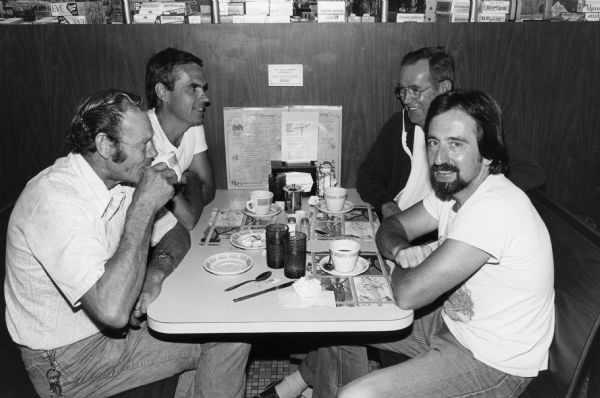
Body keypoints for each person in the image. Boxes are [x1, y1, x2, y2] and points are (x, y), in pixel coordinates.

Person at [4, 89, 250, 398]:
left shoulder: (118, 179)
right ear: (106, 145)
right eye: (143, 144)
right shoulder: (55, 200)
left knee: (221, 322)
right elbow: (112, 311)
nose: (152, 153)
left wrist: (154, 273)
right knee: (227, 336)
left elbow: (177, 234)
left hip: (105, 335)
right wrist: (143, 206)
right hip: (65, 361)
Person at [312, 90, 555, 397]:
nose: (440, 158)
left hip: (493, 362)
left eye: (456, 144)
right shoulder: (452, 192)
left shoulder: (494, 207)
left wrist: (401, 263)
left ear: (488, 153)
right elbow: (393, 224)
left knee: (358, 395)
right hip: (452, 323)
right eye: (433, 142)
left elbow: (407, 293)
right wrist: (402, 251)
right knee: (341, 319)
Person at [356, 46, 546, 220]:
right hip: (404, 225)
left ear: (444, 88)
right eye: (402, 91)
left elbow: (532, 172)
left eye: (415, 90)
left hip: (445, 231)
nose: (406, 99)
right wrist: (386, 204)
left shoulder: (473, 125)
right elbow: (367, 175)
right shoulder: (400, 125)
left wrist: (477, 191)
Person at [145, 47, 216, 230]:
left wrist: (187, 182)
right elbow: (188, 218)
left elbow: (208, 189)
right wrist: (192, 179)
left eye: (203, 88)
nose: (205, 98)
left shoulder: (192, 123)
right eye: (193, 88)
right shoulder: (145, 137)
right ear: (162, 92)